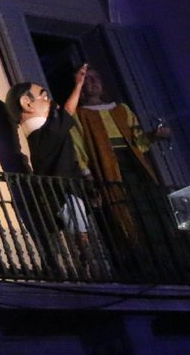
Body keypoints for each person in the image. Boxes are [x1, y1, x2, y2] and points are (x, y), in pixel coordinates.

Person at [73, 65, 171, 263]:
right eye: (87, 79)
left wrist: (154, 136)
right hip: (108, 167)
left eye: (96, 78)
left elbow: (139, 143)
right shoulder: (79, 115)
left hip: (134, 166)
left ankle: (167, 257)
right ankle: (142, 261)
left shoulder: (121, 109)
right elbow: (78, 148)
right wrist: (88, 177)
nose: (93, 83)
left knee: (151, 211)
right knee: (125, 215)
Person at [6, 70, 92, 274]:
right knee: (79, 232)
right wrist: (78, 85)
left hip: (62, 193)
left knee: (75, 231)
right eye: (44, 97)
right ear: (27, 103)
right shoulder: (47, 133)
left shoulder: (42, 136)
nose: (50, 101)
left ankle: (80, 263)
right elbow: (68, 112)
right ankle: (85, 264)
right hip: (64, 193)